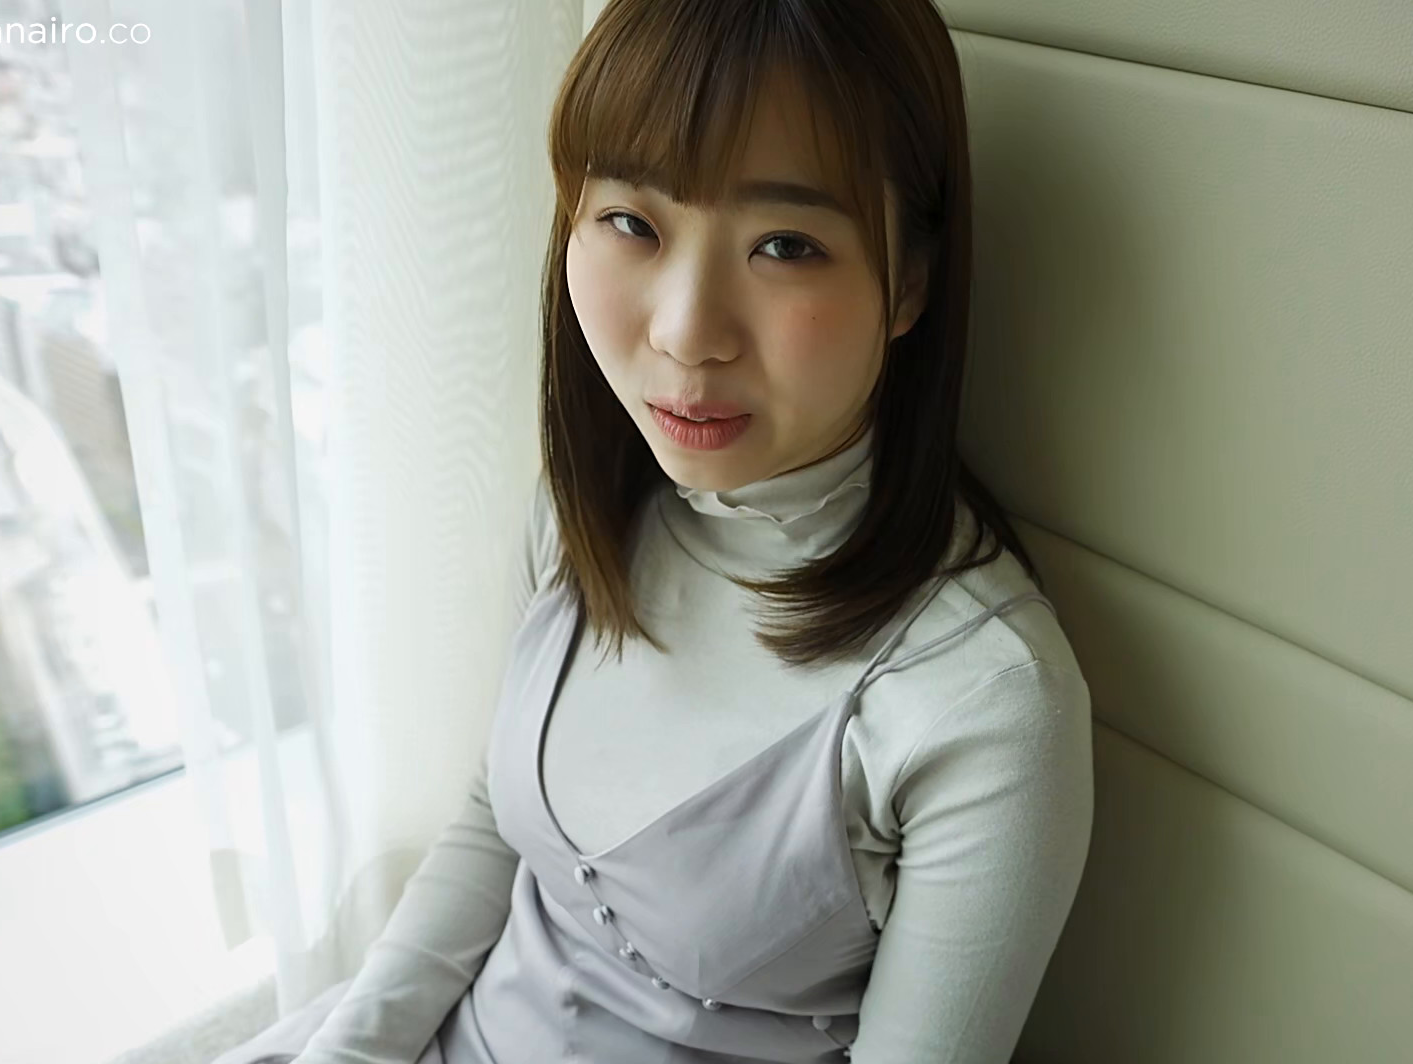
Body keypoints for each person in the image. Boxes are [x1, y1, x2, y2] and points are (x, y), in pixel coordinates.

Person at [212, 0, 1093, 1060]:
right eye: (633, 223)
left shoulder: (982, 700)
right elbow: (495, 821)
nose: (685, 332)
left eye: (784, 245)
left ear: (909, 281)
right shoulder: (585, 506)